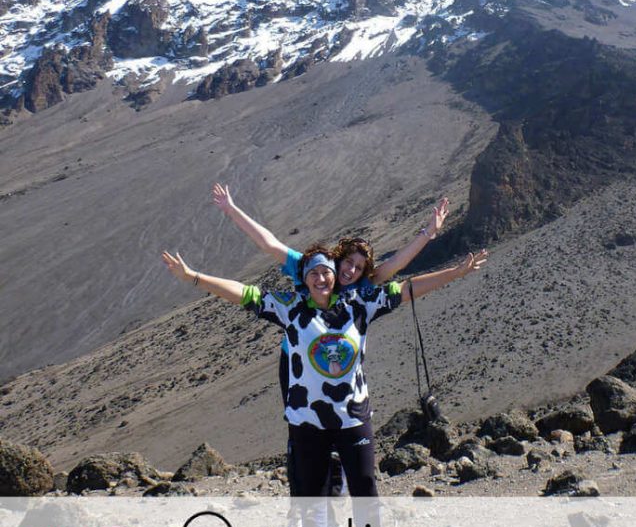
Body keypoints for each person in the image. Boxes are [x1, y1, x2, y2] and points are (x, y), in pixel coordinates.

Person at [161, 243, 488, 499]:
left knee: (365, 491)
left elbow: (406, 288)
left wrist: (455, 273)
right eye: (313, 273)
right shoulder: (290, 308)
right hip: (307, 421)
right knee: (312, 495)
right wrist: (193, 277)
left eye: (326, 272)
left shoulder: (359, 303)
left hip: (353, 418)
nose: (321, 278)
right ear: (304, 278)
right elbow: (244, 294)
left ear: (335, 276)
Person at [211, 183, 450, 293]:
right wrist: (232, 210)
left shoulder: (362, 284)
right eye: (349, 262)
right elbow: (269, 244)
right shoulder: (312, 267)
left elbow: (397, 263)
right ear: (339, 258)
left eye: (358, 268)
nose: (351, 271)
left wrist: (428, 233)